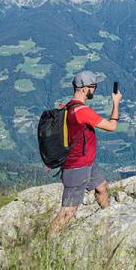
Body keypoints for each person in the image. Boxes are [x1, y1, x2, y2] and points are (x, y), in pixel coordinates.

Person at [48, 70, 122, 237]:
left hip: (86, 163)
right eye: (93, 86)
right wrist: (116, 103)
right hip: (77, 167)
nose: (94, 90)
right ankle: (46, 243)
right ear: (83, 88)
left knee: (101, 187)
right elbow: (111, 126)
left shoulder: (68, 107)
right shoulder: (81, 111)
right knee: (68, 211)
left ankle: (108, 221)